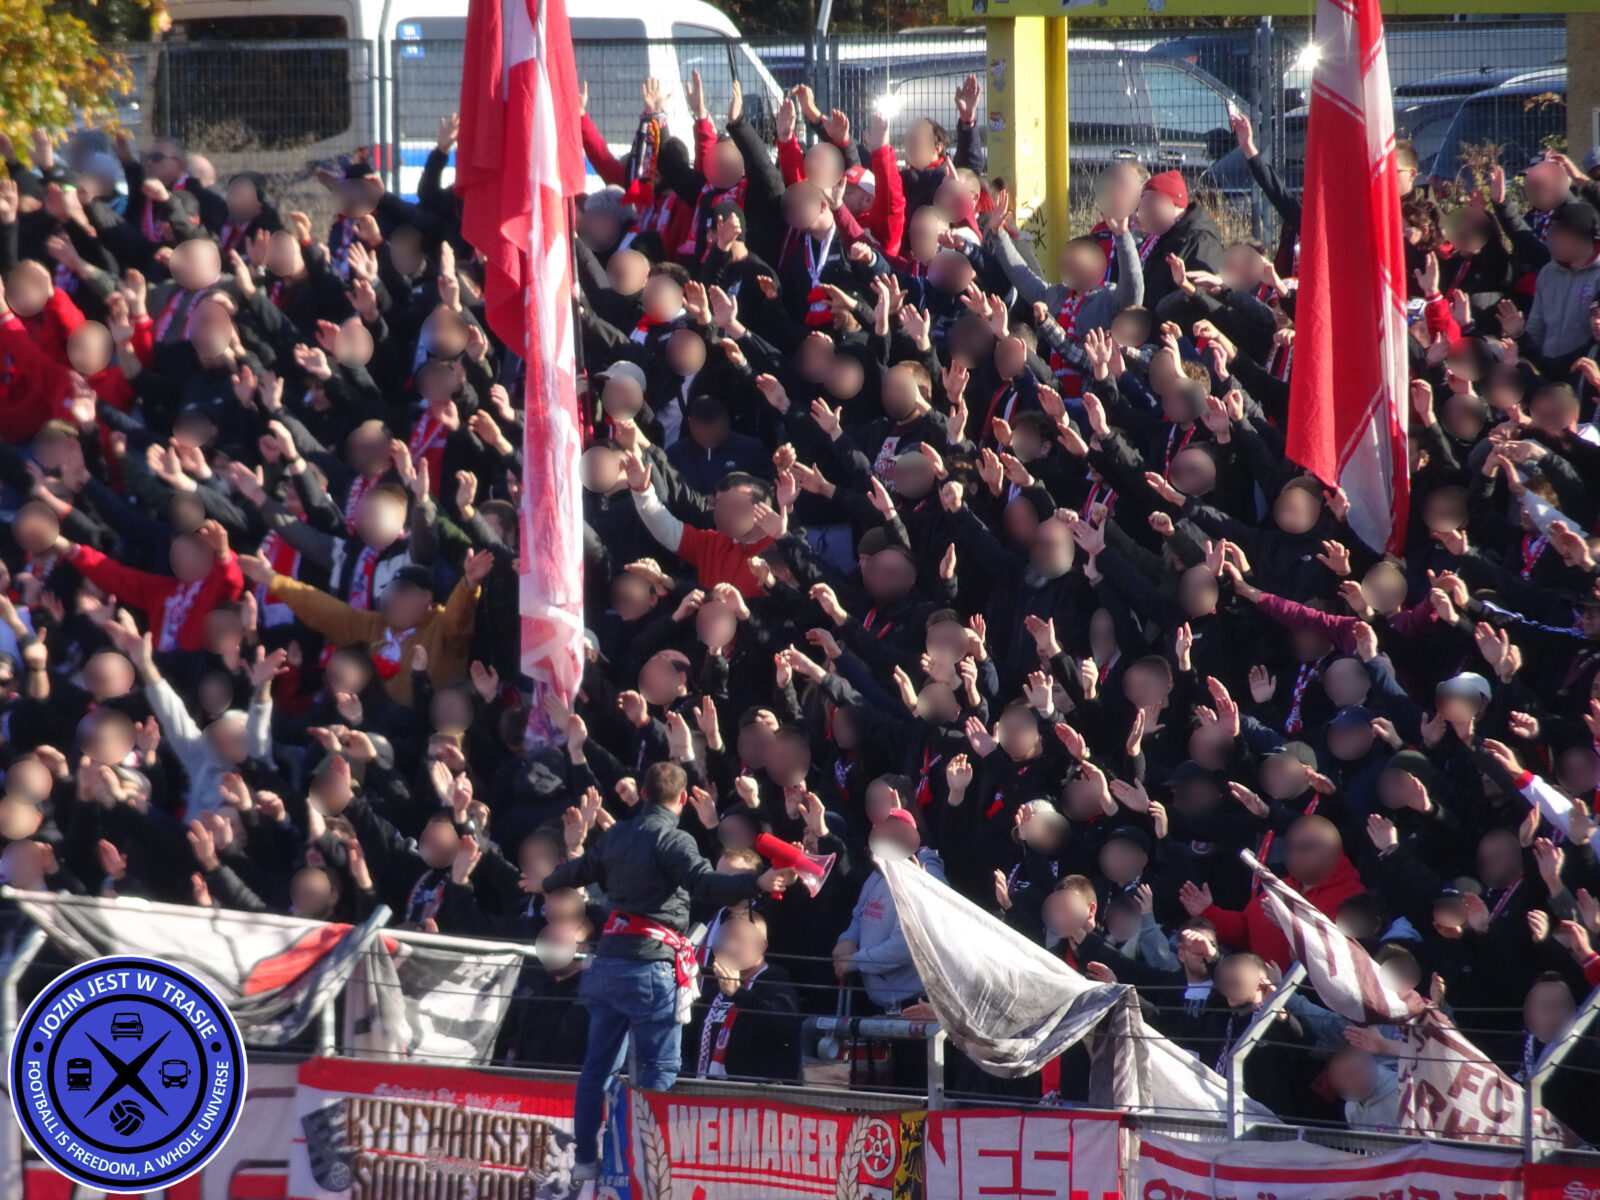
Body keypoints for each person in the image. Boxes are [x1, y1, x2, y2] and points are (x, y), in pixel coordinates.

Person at [539, 761, 796, 1181]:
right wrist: (756, 884)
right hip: (649, 967)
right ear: (681, 800)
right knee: (658, 1070)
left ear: (643, 795)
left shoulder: (618, 834)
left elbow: (579, 871)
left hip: (607, 964)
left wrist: (548, 882)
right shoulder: (673, 839)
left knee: (597, 1068)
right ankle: (647, 1168)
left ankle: (585, 1159)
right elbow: (705, 884)